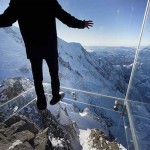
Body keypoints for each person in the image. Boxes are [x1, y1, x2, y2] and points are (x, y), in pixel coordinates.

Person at [0, 0, 93, 110]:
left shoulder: (19, 3)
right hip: (50, 46)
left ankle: (41, 102)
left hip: (33, 48)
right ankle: (55, 96)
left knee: (37, 77)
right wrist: (82, 24)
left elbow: (5, 19)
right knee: (54, 74)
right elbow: (66, 19)